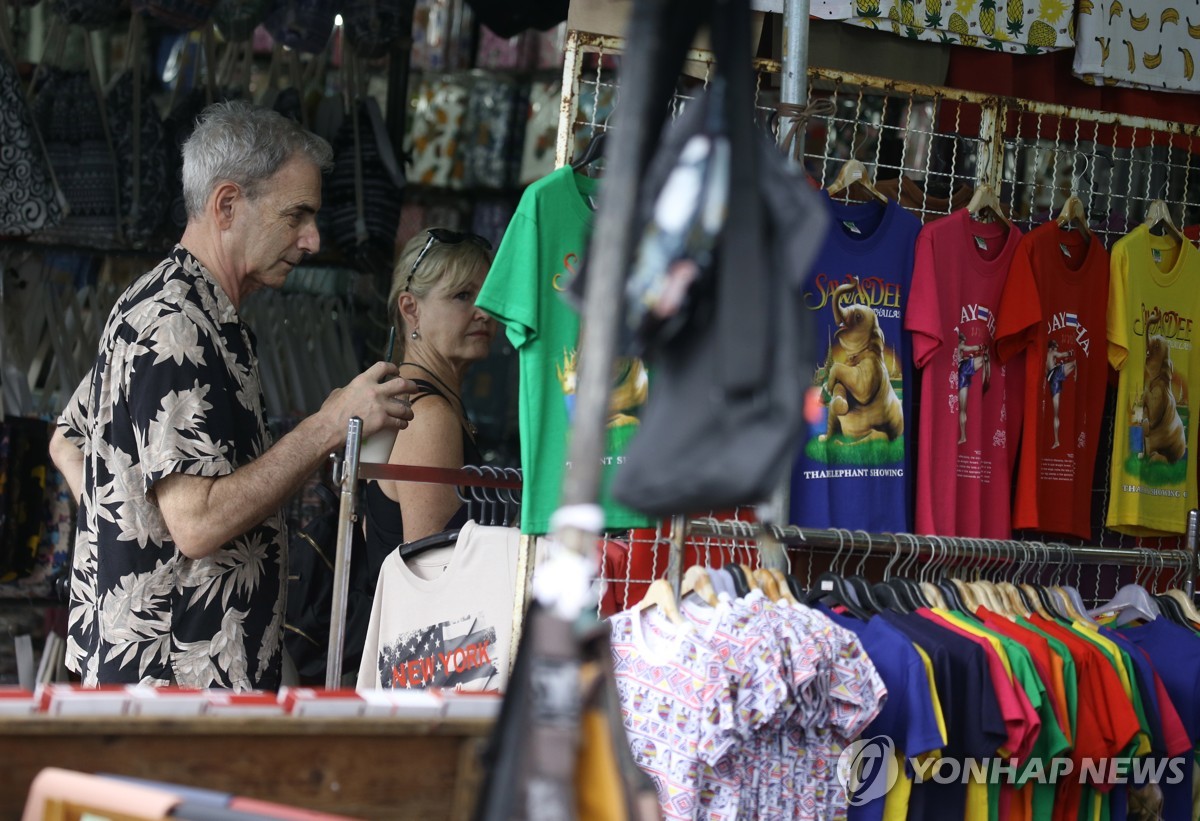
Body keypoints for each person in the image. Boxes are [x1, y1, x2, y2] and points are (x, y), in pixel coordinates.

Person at [47, 101, 418, 691]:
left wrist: (128, 535)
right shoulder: (176, 324)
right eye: (296, 215)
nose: (313, 239)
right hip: (173, 681)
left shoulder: (183, 308)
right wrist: (328, 424)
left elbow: (69, 442)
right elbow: (194, 525)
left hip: (174, 672)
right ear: (226, 205)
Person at [363, 228, 496, 555]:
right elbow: (429, 575)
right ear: (411, 310)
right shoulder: (428, 416)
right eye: (463, 296)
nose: (484, 312)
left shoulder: (406, 400)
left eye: (489, 294)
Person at [956, 329, 990, 445]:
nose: (963, 343)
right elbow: (969, 348)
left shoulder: (957, 351)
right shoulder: (959, 346)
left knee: (962, 409)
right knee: (962, 409)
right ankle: (963, 436)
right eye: (963, 341)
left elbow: (962, 357)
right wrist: (979, 347)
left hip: (962, 373)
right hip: (963, 371)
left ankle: (963, 436)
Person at [1044, 339, 1077, 449]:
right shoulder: (1052, 352)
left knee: (1056, 414)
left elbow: (1046, 375)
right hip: (1057, 373)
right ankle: (1076, 375)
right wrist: (1070, 353)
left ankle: (1057, 440)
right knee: (1075, 362)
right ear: (1052, 347)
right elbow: (1061, 354)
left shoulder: (1044, 358)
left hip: (1052, 380)